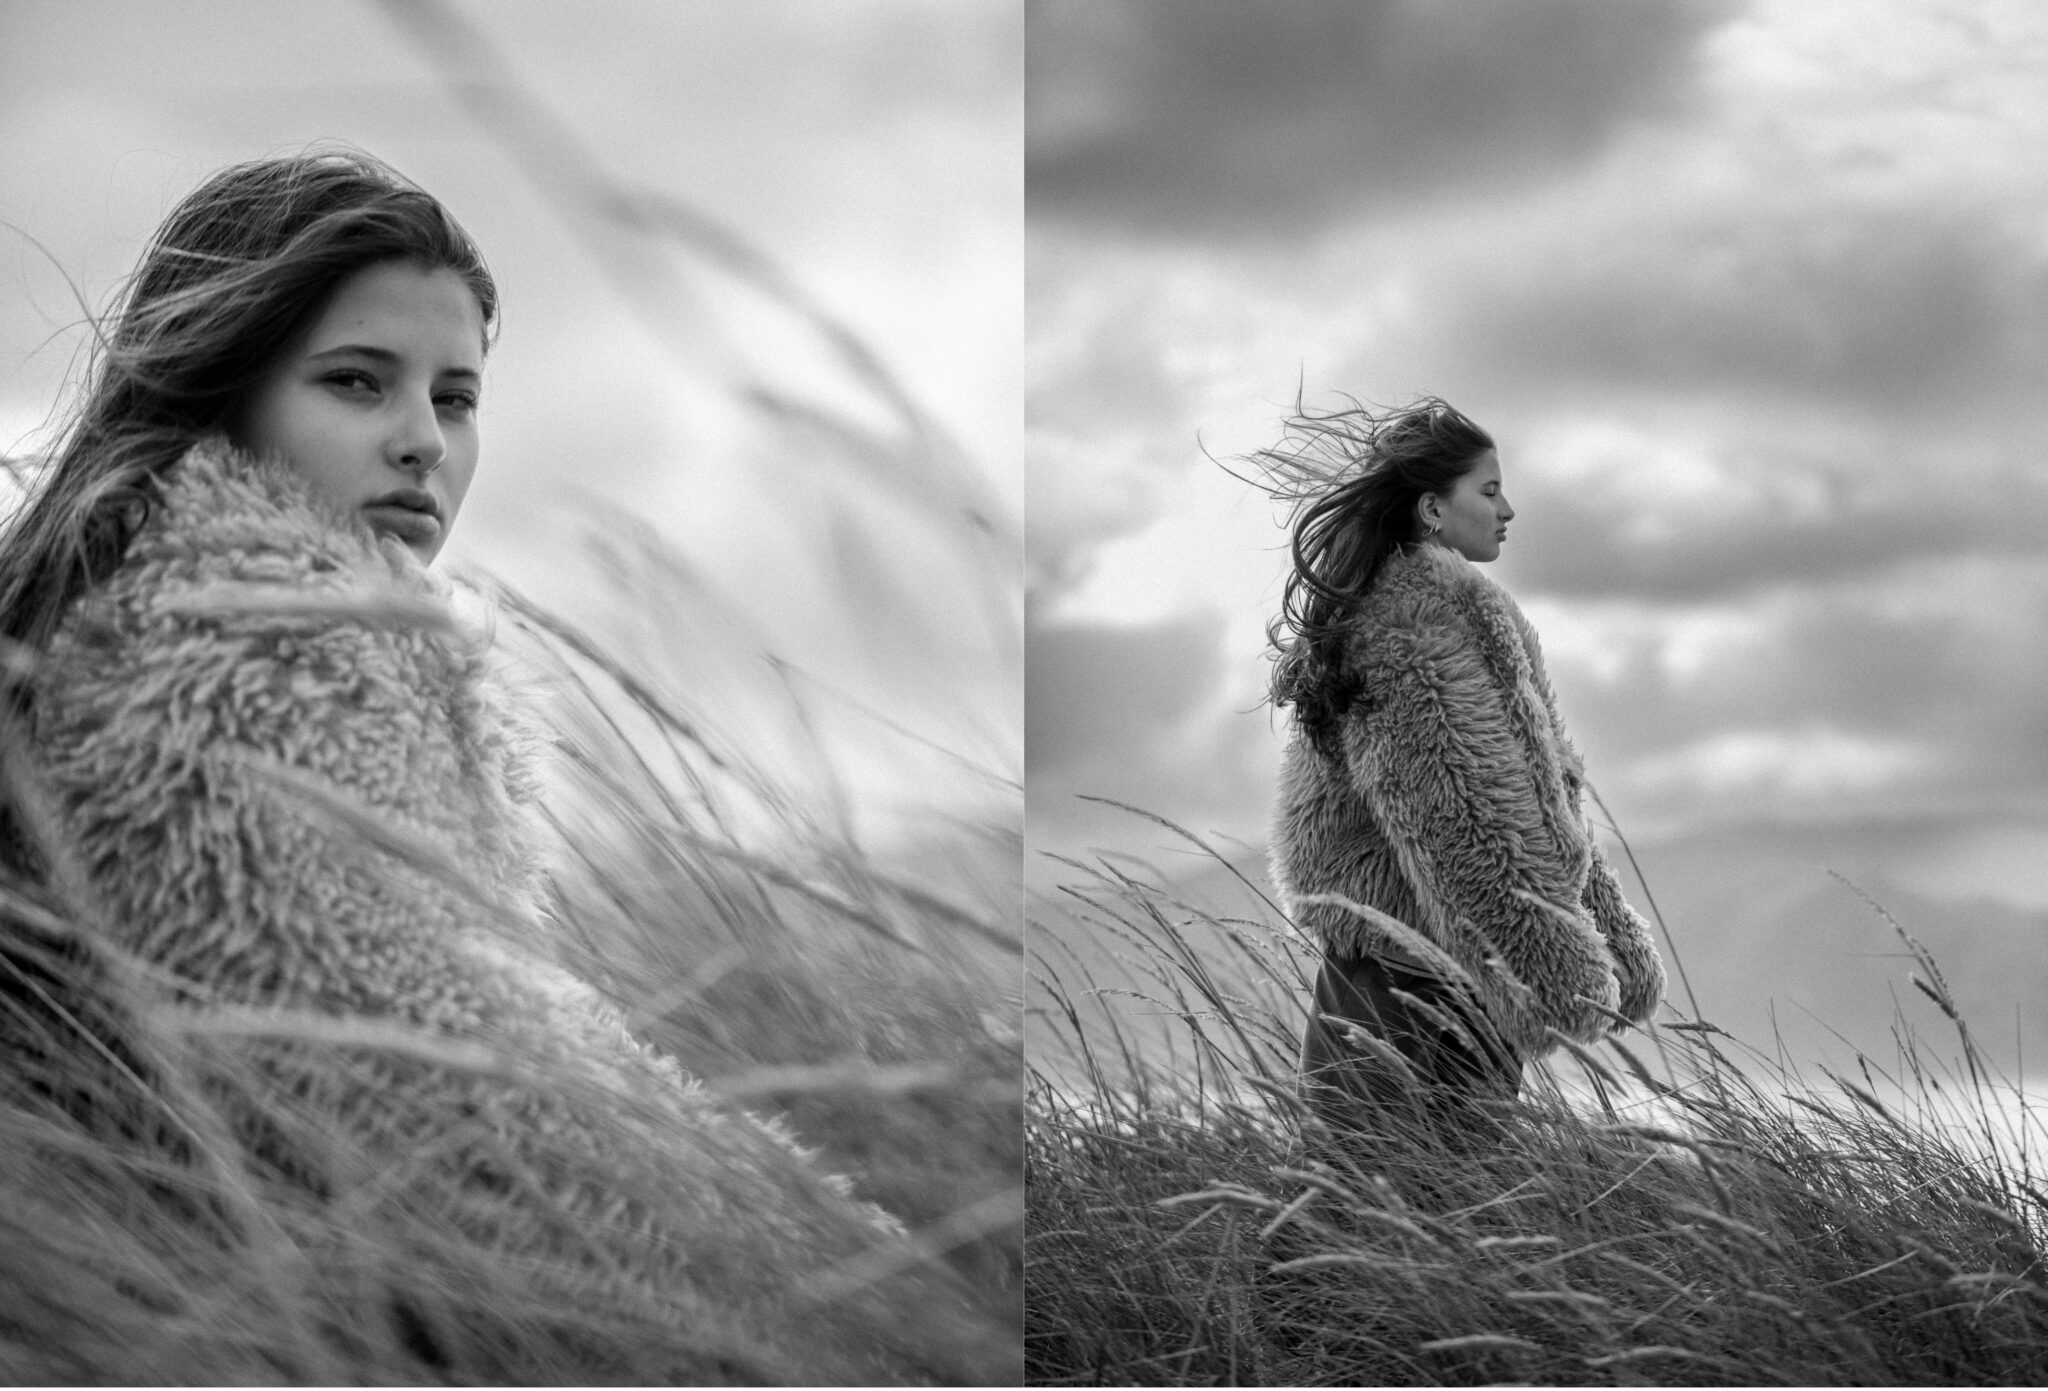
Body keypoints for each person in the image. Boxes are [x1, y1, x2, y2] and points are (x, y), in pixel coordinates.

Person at [0, 150, 997, 1383]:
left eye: (455, 398)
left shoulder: (130, 619)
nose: (421, 441)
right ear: (223, 390)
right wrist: (858, 1308)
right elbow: (455, 1114)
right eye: (357, 383)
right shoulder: (262, 650)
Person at [1259, 396, 1665, 1140]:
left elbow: (1545, 804)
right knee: (1385, 1222)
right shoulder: (1417, 621)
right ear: (1431, 510)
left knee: (1396, 1228)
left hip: (1418, 976)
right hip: (1412, 991)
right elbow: (1461, 815)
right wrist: (1548, 969)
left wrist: (1610, 942)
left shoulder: (1434, 610)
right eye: (1488, 490)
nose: (1508, 508)